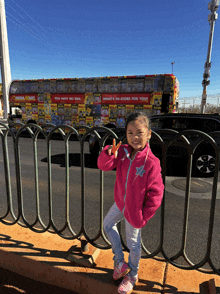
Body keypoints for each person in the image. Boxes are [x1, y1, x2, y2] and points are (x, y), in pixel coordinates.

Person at [97, 112, 164, 294]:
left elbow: (156, 193)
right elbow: (104, 165)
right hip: (120, 202)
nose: (134, 137)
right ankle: (119, 262)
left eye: (139, 132)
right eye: (130, 132)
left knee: (133, 244)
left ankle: (132, 274)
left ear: (149, 134)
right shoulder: (124, 152)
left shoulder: (151, 162)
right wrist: (110, 153)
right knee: (108, 224)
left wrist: (143, 216)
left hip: (135, 211)